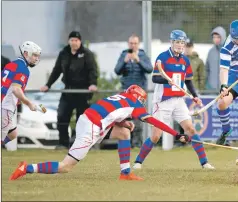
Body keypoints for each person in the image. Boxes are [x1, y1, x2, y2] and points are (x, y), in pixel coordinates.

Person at [9, 85, 191, 181]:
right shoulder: (134, 104)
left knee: (123, 134)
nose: (142, 104)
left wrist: (123, 122)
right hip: (91, 127)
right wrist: (176, 134)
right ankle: (27, 168)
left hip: (89, 119)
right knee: (66, 167)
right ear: (138, 98)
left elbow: (111, 112)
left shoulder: (122, 97)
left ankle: (125, 173)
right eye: (142, 100)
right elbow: (154, 121)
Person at [132, 30, 215, 170]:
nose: (180, 45)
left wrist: (195, 96)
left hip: (178, 100)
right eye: (177, 42)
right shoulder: (163, 57)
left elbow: (188, 81)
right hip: (162, 101)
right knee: (156, 136)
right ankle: (138, 162)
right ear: (172, 42)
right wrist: (167, 81)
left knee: (191, 129)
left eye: (182, 42)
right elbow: (154, 78)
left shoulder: (185, 60)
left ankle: (204, 162)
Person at [40, 31, 98, 150]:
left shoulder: (87, 54)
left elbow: (93, 70)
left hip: (83, 92)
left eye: (76, 40)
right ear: (68, 41)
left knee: (82, 119)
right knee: (62, 116)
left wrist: (92, 84)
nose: (74, 43)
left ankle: (81, 144)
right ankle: (63, 143)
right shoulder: (64, 53)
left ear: (80, 41)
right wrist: (48, 85)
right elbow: (56, 70)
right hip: (68, 90)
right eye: (72, 40)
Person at [114, 34, 153, 148]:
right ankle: (125, 143)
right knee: (123, 119)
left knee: (138, 119)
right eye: (131, 43)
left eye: (135, 43)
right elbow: (117, 71)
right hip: (125, 92)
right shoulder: (123, 54)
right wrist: (124, 61)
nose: (133, 45)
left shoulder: (143, 55)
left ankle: (137, 145)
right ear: (128, 44)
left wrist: (138, 61)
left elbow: (149, 69)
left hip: (139, 93)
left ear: (138, 44)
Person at [1, 41, 42, 148]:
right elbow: (16, 89)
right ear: (25, 53)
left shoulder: (11, 64)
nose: (36, 58)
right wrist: (29, 103)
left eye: (37, 56)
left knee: (13, 133)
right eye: (34, 55)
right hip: (5, 107)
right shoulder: (23, 69)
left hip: (4, 104)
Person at [205, 26, 227, 90]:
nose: (216, 39)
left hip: (226, 89)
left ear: (223, 37)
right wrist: (207, 84)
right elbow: (207, 69)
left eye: (218, 37)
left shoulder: (229, 51)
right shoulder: (211, 52)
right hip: (212, 88)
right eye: (214, 37)